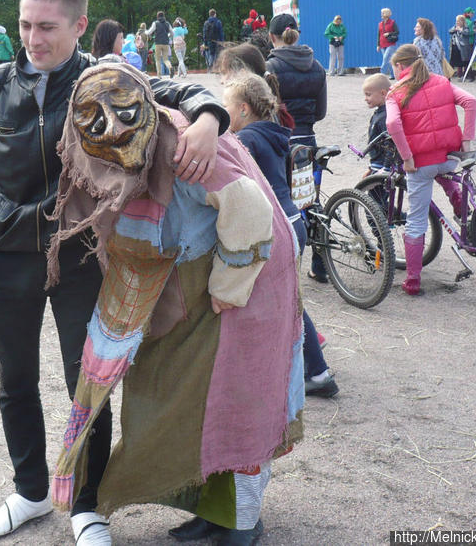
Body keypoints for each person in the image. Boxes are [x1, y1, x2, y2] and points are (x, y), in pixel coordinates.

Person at [0, 0, 227, 543]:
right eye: (26, 24)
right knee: (15, 379)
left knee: (89, 381)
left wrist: (209, 119)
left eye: (47, 27)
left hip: (82, 255)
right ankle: (29, 492)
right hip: (5, 257)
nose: (33, 38)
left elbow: (180, 90)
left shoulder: (107, 80)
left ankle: (86, 504)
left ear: (79, 25)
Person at [47, 62, 303, 546]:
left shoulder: (180, 142)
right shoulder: (91, 150)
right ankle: (212, 511)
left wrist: (229, 287)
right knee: (191, 406)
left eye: (124, 112)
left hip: (242, 281)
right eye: (94, 117)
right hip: (186, 285)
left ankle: (241, 522)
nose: (114, 126)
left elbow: (246, 206)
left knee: (235, 403)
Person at [222, 72, 337, 398]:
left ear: (243, 109)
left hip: (270, 229)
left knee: (267, 303)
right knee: (288, 300)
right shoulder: (274, 134)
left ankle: (309, 372)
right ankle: (316, 371)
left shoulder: (246, 142)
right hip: (291, 223)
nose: (222, 112)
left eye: (225, 105)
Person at [385, 44, 476, 296]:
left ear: (401, 66)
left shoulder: (396, 92)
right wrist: (466, 140)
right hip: (450, 157)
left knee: (415, 220)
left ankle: (413, 280)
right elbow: (470, 101)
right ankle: (461, 207)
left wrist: (406, 157)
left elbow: (392, 123)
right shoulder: (441, 81)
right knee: (444, 172)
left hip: (421, 163)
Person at [265, 13, 329, 284]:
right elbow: (322, 111)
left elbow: (266, 110)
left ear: (272, 36)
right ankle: (320, 265)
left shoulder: (269, 67)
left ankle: (282, 269)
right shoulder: (317, 66)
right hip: (309, 139)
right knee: (310, 200)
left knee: (280, 202)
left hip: (281, 141)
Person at [362, 74, 397, 175]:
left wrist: (386, 167)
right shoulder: (379, 113)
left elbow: (390, 144)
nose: (365, 98)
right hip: (376, 164)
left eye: (368, 95)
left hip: (382, 167)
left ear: (383, 93)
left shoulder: (384, 117)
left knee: (376, 191)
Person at [145, 11, 173, 77]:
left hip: (158, 43)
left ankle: (159, 75)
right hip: (166, 43)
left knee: (157, 59)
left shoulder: (155, 23)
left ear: (157, 17)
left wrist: (145, 32)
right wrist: (168, 36)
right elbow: (172, 33)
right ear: (164, 16)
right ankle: (170, 67)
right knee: (165, 59)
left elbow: (149, 32)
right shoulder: (167, 23)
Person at [449, 14, 474, 82]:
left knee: (466, 62)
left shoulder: (466, 28)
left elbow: (467, 33)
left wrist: (460, 30)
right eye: (457, 21)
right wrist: (455, 29)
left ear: (462, 21)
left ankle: (470, 76)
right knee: (452, 63)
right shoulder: (455, 27)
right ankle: (448, 77)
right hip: (455, 48)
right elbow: (450, 31)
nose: (457, 22)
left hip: (463, 49)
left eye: (459, 21)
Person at [377, 8, 399, 78]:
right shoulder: (380, 24)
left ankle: (381, 74)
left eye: (382, 13)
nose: (381, 14)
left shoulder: (392, 22)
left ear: (386, 14)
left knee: (385, 59)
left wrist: (389, 34)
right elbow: (379, 34)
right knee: (389, 60)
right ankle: (393, 75)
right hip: (382, 44)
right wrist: (378, 45)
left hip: (390, 44)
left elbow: (397, 32)